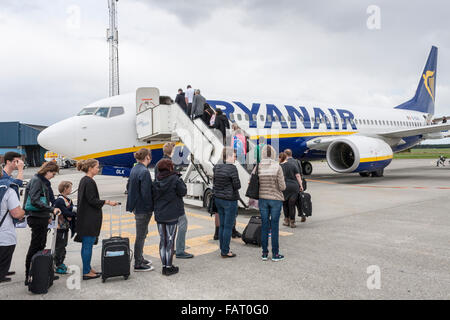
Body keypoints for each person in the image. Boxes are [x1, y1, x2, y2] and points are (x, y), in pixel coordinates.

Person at [76, 159, 118, 280]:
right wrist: (107, 202)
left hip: (85, 218)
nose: (98, 169)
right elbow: (92, 200)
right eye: (96, 167)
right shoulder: (89, 182)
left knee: (86, 245)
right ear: (90, 168)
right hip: (88, 219)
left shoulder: (85, 180)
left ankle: (87, 268)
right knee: (87, 245)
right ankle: (86, 271)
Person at [24, 161, 61, 285]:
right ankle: (29, 275)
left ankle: (40, 272)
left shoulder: (41, 181)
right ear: (48, 171)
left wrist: (48, 215)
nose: (53, 176)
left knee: (41, 245)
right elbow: (35, 200)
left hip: (41, 217)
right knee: (35, 246)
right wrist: (51, 210)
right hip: (36, 218)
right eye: (53, 174)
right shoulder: (37, 181)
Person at [154, 143, 193, 259]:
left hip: (162, 204)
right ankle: (180, 250)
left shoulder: (158, 164)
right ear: (172, 151)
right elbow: (179, 188)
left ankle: (169, 251)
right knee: (183, 224)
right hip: (174, 204)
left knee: (165, 233)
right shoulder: (171, 165)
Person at [152, 159, 187, 276]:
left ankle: (163, 266)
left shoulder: (157, 179)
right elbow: (183, 192)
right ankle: (169, 267)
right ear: (170, 168)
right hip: (171, 215)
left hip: (160, 215)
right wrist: (180, 179)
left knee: (163, 240)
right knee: (170, 242)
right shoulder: (175, 179)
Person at [255, 145, 286, 261]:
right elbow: (282, 186)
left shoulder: (258, 167)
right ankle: (275, 254)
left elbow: (252, 181)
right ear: (273, 154)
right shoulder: (277, 166)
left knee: (264, 226)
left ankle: (264, 253)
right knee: (274, 227)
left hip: (263, 199)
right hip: (276, 199)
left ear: (262, 154)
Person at [126, 148, 154, 272]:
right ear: (147, 157)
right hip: (143, 208)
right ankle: (138, 262)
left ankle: (140, 257)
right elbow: (146, 193)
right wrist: (151, 208)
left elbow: (128, 186)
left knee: (142, 234)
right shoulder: (144, 171)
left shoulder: (135, 169)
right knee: (141, 236)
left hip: (137, 207)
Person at [213, 147, 241, 258]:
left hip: (218, 199)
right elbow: (237, 185)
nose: (235, 158)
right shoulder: (232, 168)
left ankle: (222, 248)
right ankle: (225, 251)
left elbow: (214, 182)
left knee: (223, 225)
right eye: (234, 155)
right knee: (228, 226)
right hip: (230, 200)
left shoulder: (217, 167)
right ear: (228, 156)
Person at [0, 170, 25, 283]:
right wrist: (24, 212)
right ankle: (1, 274)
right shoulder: (7, 190)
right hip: (3, 231)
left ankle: (3, 272)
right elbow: (16, 213)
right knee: (6, 250)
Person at [53, 181, 76, 275]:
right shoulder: (60, 200)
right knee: (59, 246)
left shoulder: (68, 200)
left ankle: (61, 262)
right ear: (65, 189)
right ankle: (57, 264)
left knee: (63, 245)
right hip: (60, 227)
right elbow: (66, 212)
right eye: (70, 188)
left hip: (65, 226)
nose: (71, 190)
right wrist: (75, 214)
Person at [279, 152, 301, 228]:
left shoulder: (279, 167)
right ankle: (292, 222)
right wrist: (301, 186)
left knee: (285, 204)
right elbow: (298, 176)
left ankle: (286, 220)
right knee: (292, 205)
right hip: (294, 187)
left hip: (285, 187)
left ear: (280, 158)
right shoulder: (293, 165)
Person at [284, 149, 306, 223]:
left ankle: (288, 219)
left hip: (287, 185)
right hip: (297, 185)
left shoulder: (284, 163)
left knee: (288, 203)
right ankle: (302, 215)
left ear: (285, 154)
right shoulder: (297, 161)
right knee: (299, 201)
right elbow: (300, 173)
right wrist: (301, 184)